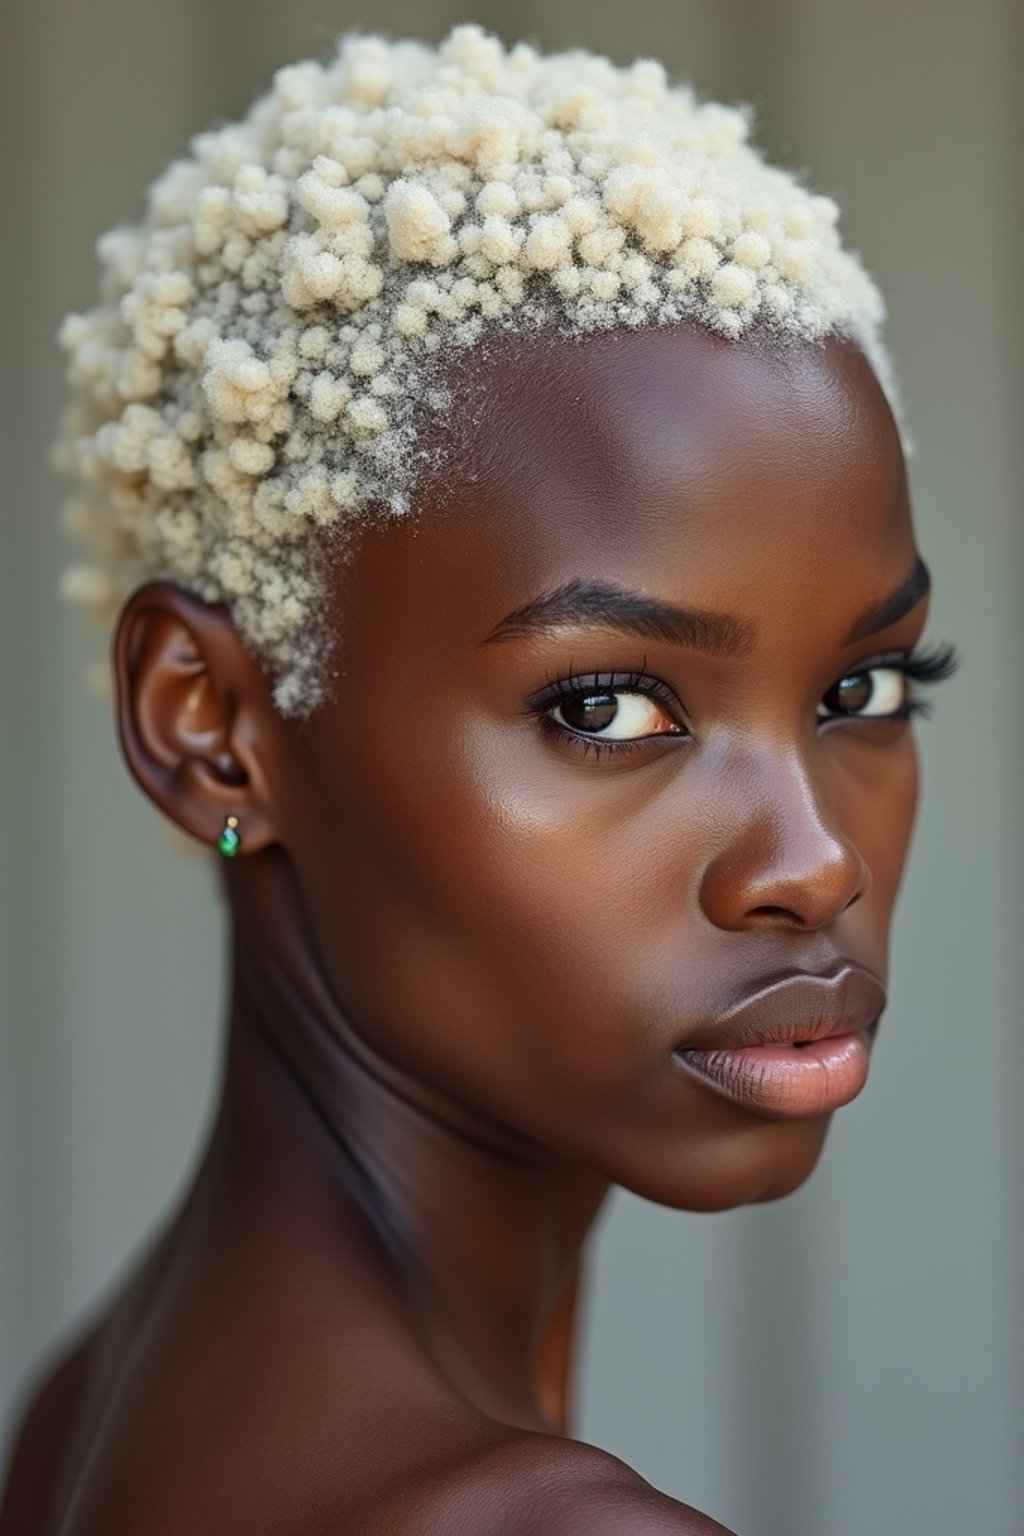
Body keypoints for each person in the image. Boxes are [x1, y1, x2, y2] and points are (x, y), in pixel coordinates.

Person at [0, 25, 957, 1535]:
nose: (815, 860)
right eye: (607, 704)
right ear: (211, 728)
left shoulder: (93, 1409)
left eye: (863, 689)